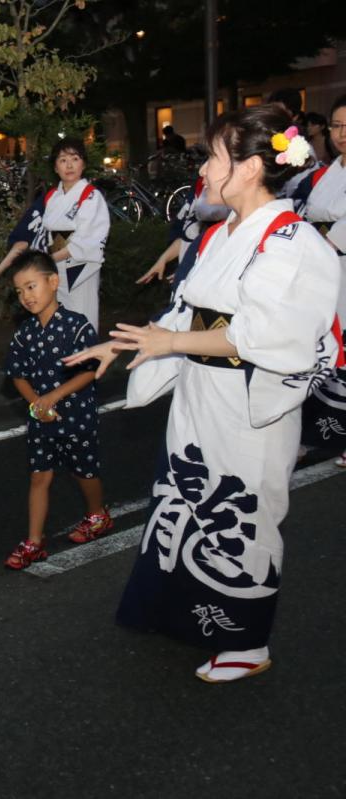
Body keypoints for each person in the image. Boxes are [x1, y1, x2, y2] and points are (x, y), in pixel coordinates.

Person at [65, 105, 340, 683]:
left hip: (246, 399)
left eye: (215, 156)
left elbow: (268, 336)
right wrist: (126, 346)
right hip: (202, 389)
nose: (205, 168)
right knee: (188, 494)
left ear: (248, 169)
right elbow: (188, 308)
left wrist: (173, 341)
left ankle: (246, 642)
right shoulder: (222, 233)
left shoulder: (293, 242)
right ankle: (186, 614)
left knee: (242, 511)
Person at [1, 250, 110, 570]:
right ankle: (34, 541)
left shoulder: (77, 326)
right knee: (39, 476)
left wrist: (54, 396)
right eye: (20, 291)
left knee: (84, 471)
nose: (26, 296)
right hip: (41, 417)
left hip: (77, 414)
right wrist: (37, 402)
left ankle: (97, 514)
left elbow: (89, 370)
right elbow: (17, 374)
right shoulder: (25, 333)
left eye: (31, 286)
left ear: (53, 281)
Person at [0, 137, 110, 332]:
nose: (69, 165)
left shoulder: (90, 196)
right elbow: (28, 239)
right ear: (55, 168)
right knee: (54, 330)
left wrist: (46, 260)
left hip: (78, 273)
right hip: (50, 275)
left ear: (84, 164)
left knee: (80, 325)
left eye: (74, 158)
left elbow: (85, 242)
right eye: (63, 160)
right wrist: (0, 268)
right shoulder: (51, 198)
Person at [295, 95, 346, 464]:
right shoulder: (327, 172)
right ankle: (320, 432)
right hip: (325, 271)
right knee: (323, 348)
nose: (342, 134)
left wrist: (322, 244)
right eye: (337, 126)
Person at [137, 170, 230, 286]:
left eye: (213, 157)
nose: (202, 169)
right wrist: (164, 259)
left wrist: (194, 270)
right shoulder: (200, 187)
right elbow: (189, 234)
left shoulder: (225, 201)